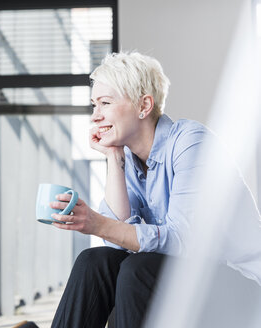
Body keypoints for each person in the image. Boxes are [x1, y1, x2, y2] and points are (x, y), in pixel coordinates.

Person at [21, 52, 261, 328]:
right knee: (95, 261)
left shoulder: (191, 143)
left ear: (144, 106)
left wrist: (98, 224)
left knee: (138, 270)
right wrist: (113, 158)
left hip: (243, 285)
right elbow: (117, 242)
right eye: (93, 105)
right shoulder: (132, 161)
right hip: (192, 277)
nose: (95, 116)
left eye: (105, 103)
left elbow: (183, 241)